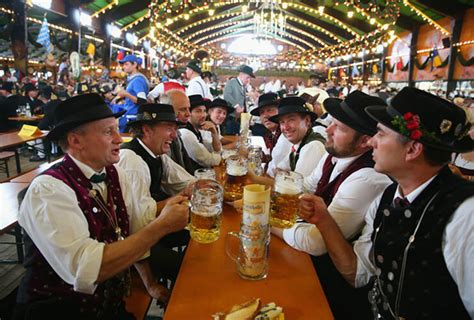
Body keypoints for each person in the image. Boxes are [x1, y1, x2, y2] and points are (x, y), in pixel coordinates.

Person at [299, 87, 474, 319]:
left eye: (380, 134)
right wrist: (323, 220)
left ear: (412, 149)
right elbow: (358, 274)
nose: (371, 141)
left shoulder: (465, 214)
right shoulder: (387, 197)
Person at [14, 94, 189, 319]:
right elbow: (86, 269)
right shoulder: (48, 190)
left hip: (108, 306)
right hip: (57, 311)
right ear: (76, 141)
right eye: (108, 132)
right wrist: (162, 226)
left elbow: (135, 231)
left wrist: (150, 283)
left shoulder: (114, 174)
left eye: (117, 129)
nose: (119, 138)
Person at [273, 91, 392, 319]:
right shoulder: (335, 155)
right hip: (312, 264)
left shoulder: (368, 177)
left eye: (340, 127)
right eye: (332, 123)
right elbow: (305, 186)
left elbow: (316, 243)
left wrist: (267, 221)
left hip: (333, 288)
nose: (327, 129)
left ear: (367, 141)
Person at [119, 103, 194, 288]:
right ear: (146, 130)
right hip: (130, 244)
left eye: (175, 129)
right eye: (169, 128)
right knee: (188, 270)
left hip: (152, 229)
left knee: (200, 238)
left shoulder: (157, 155)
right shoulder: (132, 160)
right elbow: (136, 224)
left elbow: (186, 182)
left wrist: (210, 188)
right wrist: (150, 283)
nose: (174, 135)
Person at [250, 92, 291, 176]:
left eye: (270, 110)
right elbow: (275, 158)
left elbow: (275, 170)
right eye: (262, 112)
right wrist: (265, 157)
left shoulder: (286, 134)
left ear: (280, 112)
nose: (265, 115)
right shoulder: (271, 133)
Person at [179, 94, 221, 169]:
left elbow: (213, 149)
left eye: (204, 111)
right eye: (198, 111)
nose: (203, 115)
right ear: (189, 114)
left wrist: (214, 133)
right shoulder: (186, 134)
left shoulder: (197, 130)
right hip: (195, 177)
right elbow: (210, 161)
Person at [160, 89, 196, 174]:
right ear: (167, 110)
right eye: (183, 109)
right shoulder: (160, 139)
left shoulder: (177, 134)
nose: (188, 114)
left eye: (188, 109)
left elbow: (186, 167)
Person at [116, 54, 149, 132]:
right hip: (130, 115)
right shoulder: (133, 80)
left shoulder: (137, 80)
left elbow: (142, 101)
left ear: (134, 64)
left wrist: (126, 94)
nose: (124, 67)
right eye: (123, 64)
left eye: (126, 64)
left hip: (132, 118)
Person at [223, 64, 255, 135]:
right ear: (242, 74)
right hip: (232, 118)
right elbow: (227, 95)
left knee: (243, 137)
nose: (248, 80)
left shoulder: (243, 86)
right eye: (247, 78)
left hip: (242, 118)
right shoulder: (231, 82)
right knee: (231, 138)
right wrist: (236, 106)